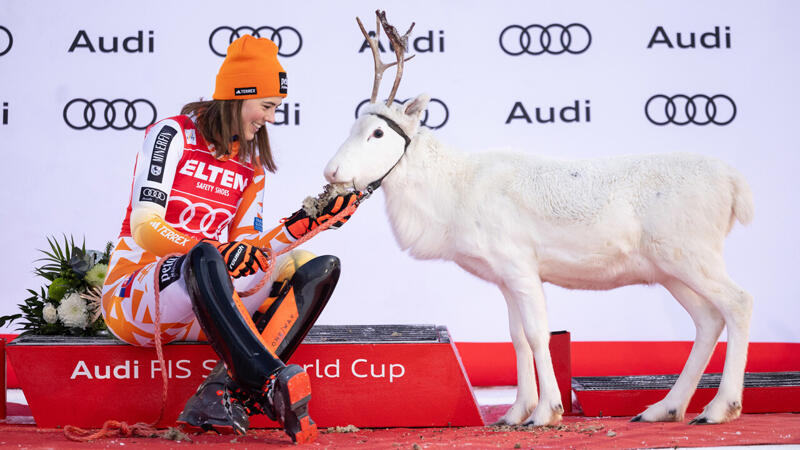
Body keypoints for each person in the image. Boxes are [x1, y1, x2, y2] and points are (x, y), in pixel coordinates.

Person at [100, 34, 359, 444]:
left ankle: (220, 391)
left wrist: (309, 223)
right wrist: (217, 253)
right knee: (205, 255)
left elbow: (250, 253)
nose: (271, 119)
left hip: (205, 307)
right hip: (138, 297)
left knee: (312, 265)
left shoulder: (250, 165)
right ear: (240, 95)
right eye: (268, 107)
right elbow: (145, 227)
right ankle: (268, 378)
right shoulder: (172, 134)